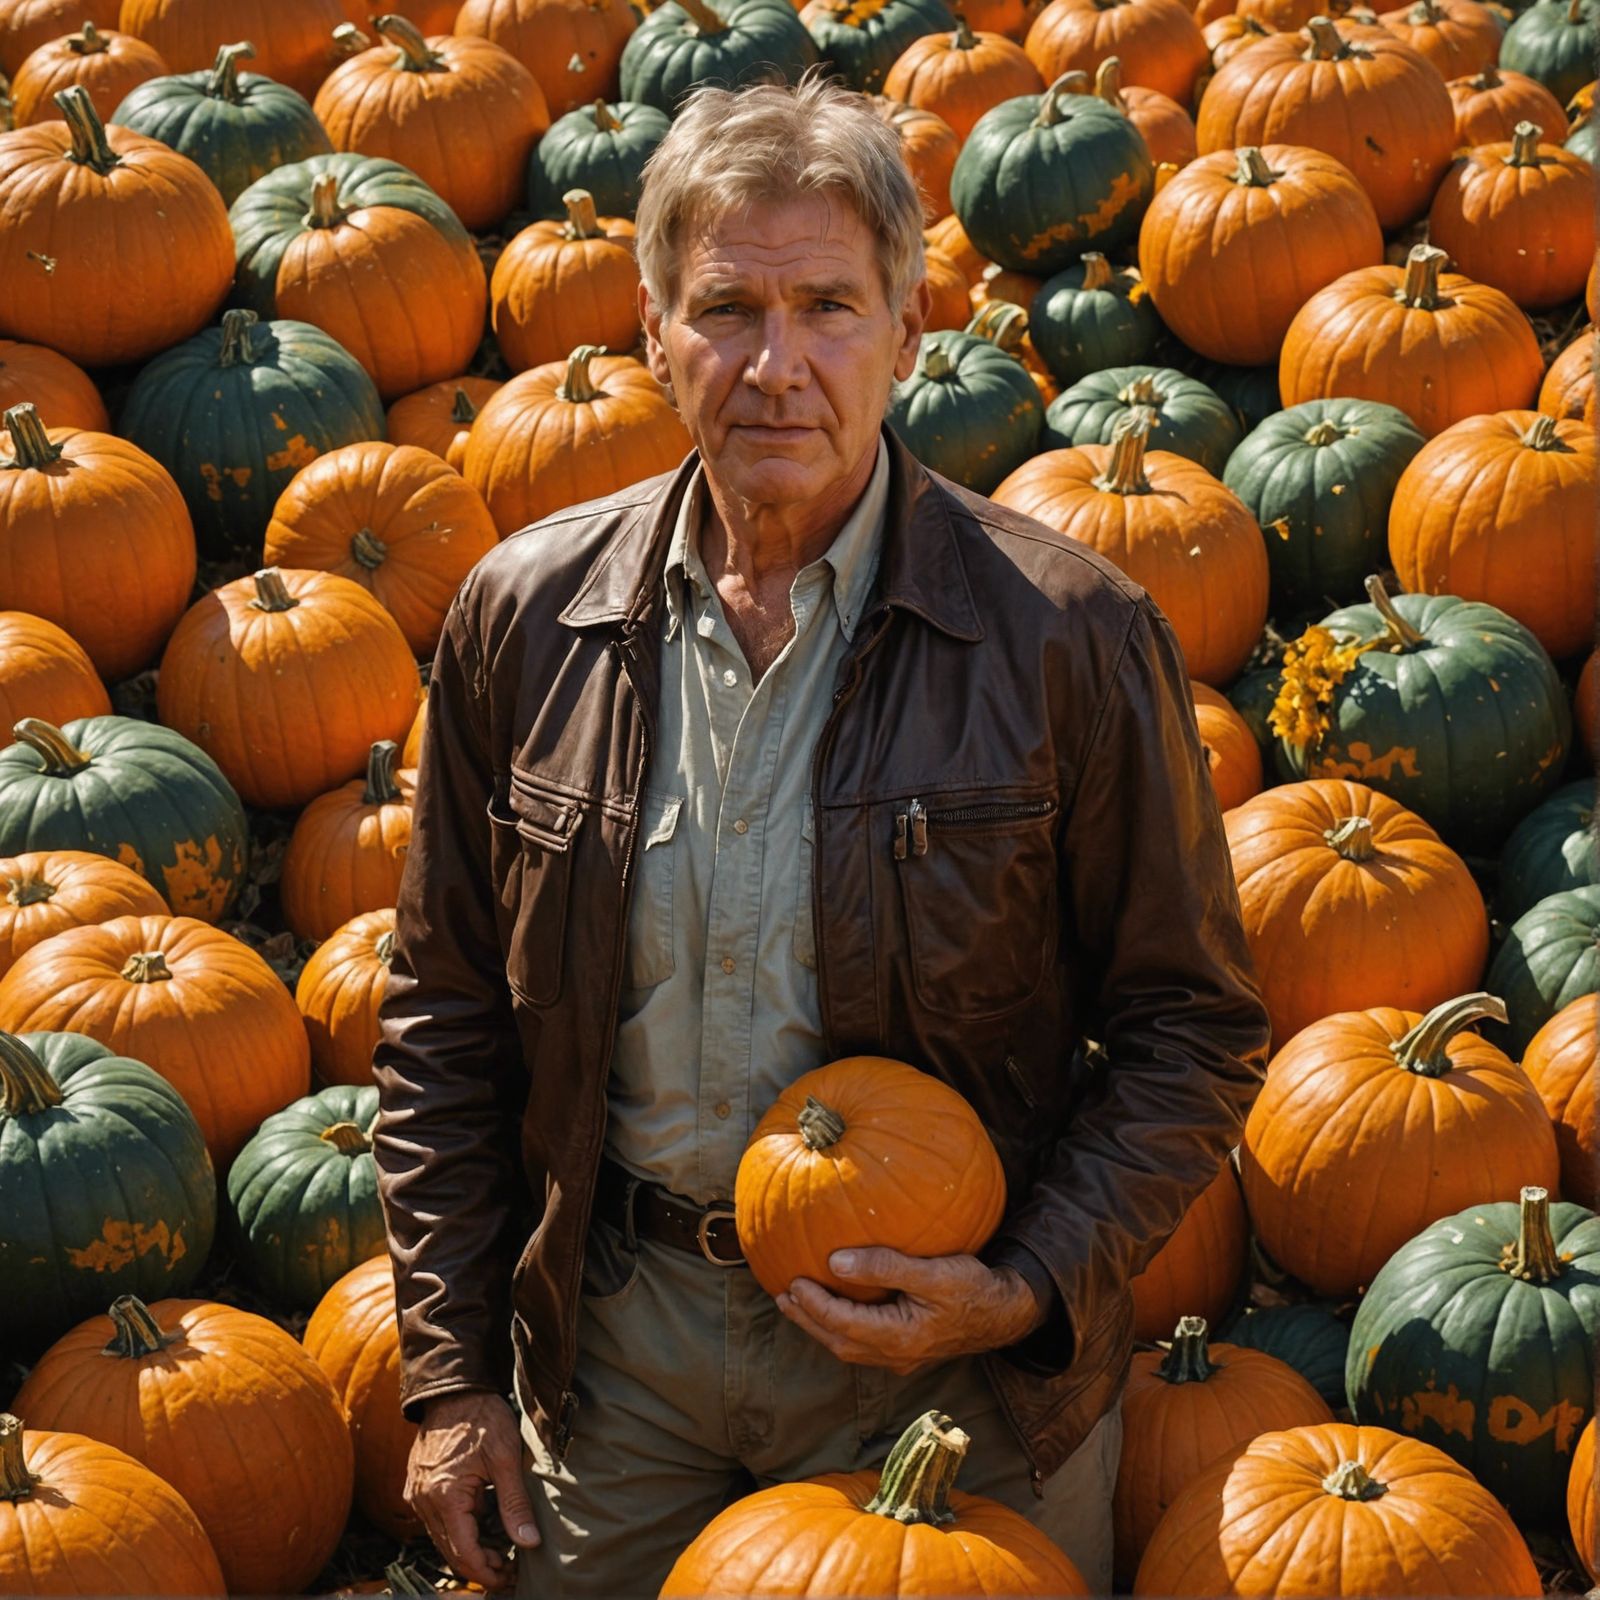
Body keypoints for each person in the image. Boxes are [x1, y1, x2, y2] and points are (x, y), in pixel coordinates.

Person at [373, 73, 1269, 1599]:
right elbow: (443, 1018)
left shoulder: (1064, 636)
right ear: (652, 336)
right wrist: (456, 1378)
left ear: (908, 336)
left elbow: (1193, 1025)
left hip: (949, 1375)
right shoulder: (527, 619)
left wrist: (1023, 1284)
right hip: (622, 1352)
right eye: (726, 308)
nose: (775, 365)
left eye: (828, 308)